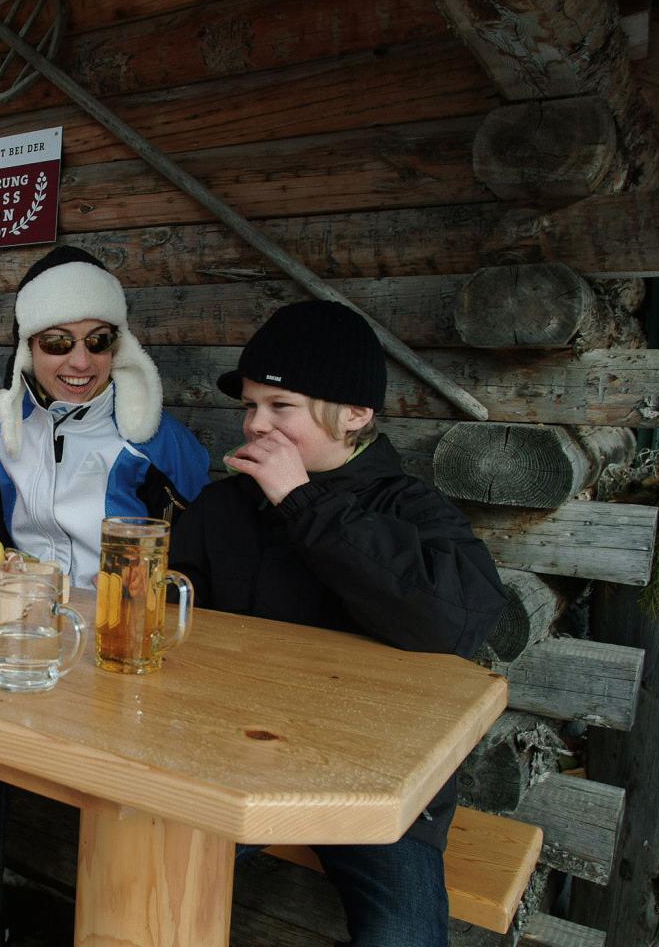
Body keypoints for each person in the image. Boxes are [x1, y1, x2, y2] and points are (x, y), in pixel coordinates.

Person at [0, 245, 211, 947]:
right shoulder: (6, 427)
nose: (78, 363)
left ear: (121, 344)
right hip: (27, 638)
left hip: (111, 660)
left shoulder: (154, 442)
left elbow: (212, 558)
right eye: (57, 342)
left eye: (97, 340)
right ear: (27, 346)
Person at [170, 299, 507, 946]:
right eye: (250, 406)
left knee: (401, 934)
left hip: (376, 789)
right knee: (161, 882)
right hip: (233, 766)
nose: (256, 424)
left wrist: (301, 501)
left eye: (280, 407)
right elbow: (176, 619)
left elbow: (457, 621)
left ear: (355, 415)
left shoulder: (409, 506)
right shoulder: (222, 505)